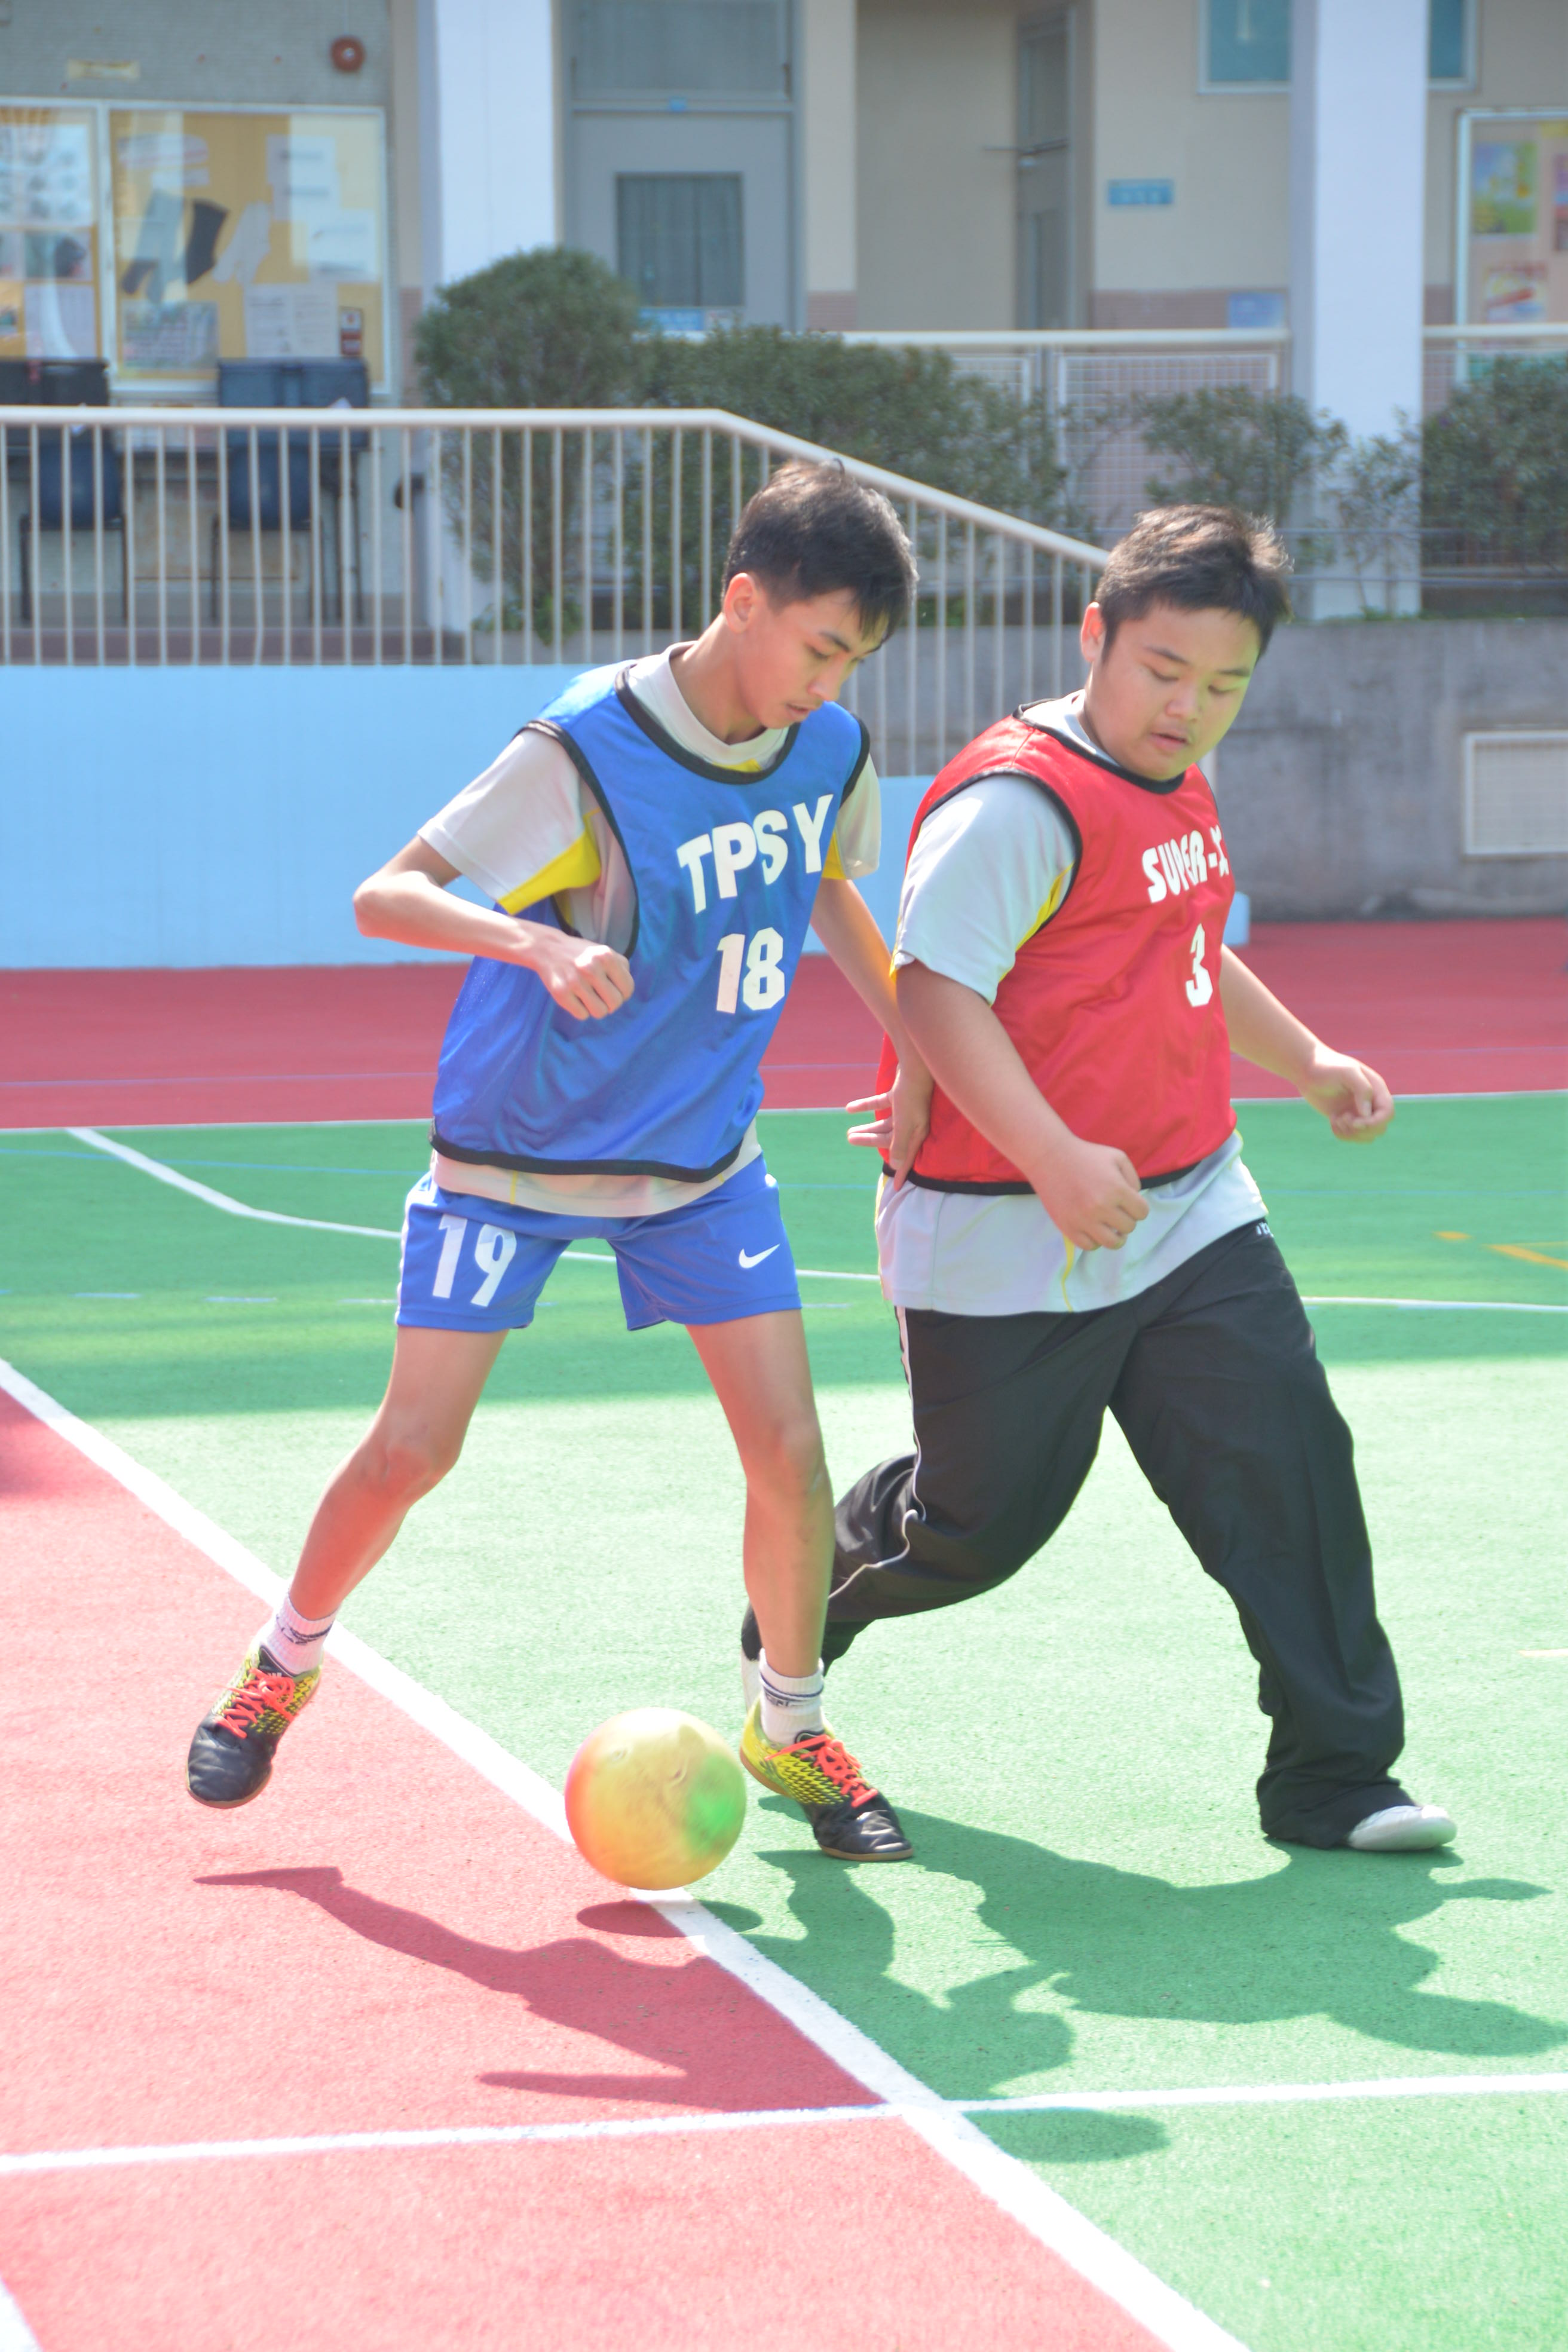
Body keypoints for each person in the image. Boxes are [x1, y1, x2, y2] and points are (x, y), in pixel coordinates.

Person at [185, 461, 927, 1864]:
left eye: (855, 661)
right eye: (820, 647)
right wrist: (532, 938)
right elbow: (387, 893)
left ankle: (789, 1721)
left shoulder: (827, 746)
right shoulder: (591, 744)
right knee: (414, 1450)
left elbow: (828, 886)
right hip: (514, 1157)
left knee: (789, 1450)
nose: (831, 683)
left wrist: (920, 1054)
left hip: (700, 1158)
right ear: (744, 600)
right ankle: (281, 1663)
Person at [745, 503, 1456, 1857]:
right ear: (1096, 637)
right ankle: (792, 1607)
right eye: (1163, 672)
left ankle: (1335, 1778)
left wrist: (1305, 1060)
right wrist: (1053, 1159)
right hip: (1004, 1231)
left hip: (1189, 1209)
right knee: (974, 1526)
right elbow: (938, 994)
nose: (1189, 709)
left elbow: (1185, 945)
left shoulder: (1177, 781)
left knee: (1289, 1463)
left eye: (1224, 686)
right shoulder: (1017, 802)